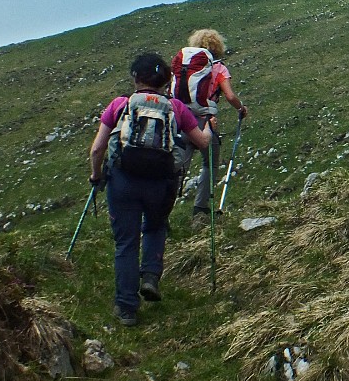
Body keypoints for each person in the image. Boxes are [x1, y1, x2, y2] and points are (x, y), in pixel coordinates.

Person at [89, 53, 213, 326]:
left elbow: (98, 148)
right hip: (160, 181)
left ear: (135, 78)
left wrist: (96, 175)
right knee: (155, 228)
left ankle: (126, 308)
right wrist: (210, 125)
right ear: (166, 80)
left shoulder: (120, 104)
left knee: (126, 242)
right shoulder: (177, 108)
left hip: (123, 180)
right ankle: (150, 277)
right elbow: (203, 143)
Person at [174, 29, 248, 225]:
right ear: (217, 46)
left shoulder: (186, 69)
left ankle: (163, 210)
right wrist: (241, 108)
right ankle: (200, 208)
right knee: (210, 164)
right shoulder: (219, 69)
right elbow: (230, 97)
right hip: (206, 122)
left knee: (179, 164)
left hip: (183, 121)